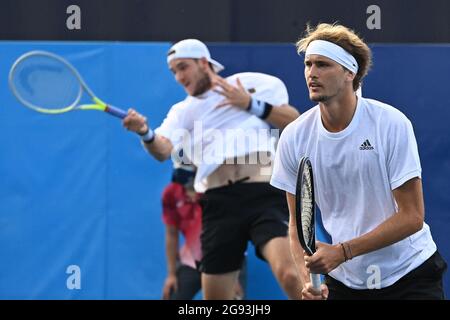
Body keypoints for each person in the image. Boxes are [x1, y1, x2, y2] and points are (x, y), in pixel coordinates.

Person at [270, 23, 447, 300]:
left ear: (349, 72)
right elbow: (296, 225)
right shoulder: (294, 137)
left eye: (323, 65)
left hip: (409, 274)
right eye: (308, 64)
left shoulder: (391, 124)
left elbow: (412, 217)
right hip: (345, 281)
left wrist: (342, 252)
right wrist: (309, 282)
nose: (312, 73)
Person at [123, 39, 302, 299]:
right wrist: (145, 132)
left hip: (264, 194)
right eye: (173, 71)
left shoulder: (256, 84)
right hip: (219, 204)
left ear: (203, 63)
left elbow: (293, 121)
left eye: (183, 67)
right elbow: (162, 150)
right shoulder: (182, 111)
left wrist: (250, 103)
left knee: (290, 274)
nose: (178, 77)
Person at [161, 163, 247, 300]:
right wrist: (171, 274)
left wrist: (232, 274)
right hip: (192, 260)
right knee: (172, 295)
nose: (192, 195)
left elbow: (230, 230)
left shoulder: (218, 188)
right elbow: (171, 234)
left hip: (228, 257)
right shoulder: (171, 194)